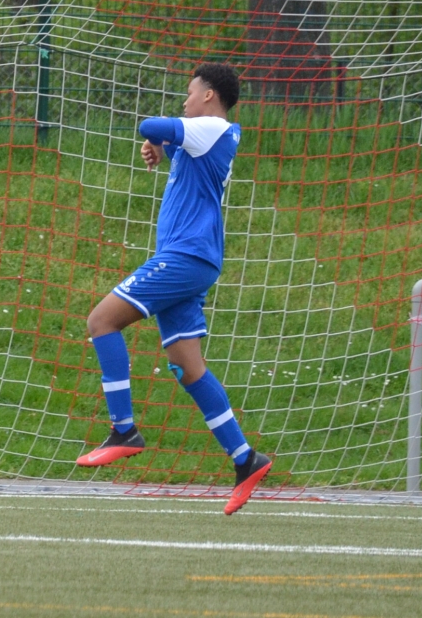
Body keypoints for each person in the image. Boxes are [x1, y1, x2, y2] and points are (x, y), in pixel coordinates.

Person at [75, 62, 273, 515]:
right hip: (194, 259)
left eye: (189, 92)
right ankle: (245, 459)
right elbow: (166, 139)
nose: (185, 100)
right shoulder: (208, 136)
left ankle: (124, 430)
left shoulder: (210, 127)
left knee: (101, 321)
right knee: (187, 366)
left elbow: (150, 125)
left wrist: (158, 137)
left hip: (185, 257)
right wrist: (163, 148)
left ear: (209, 95)